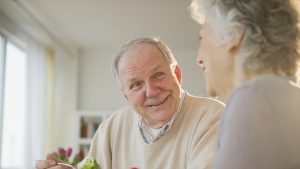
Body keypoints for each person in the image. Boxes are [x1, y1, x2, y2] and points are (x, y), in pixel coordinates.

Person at [36, 37, 224, 169]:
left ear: (177, 74)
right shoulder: (112, 126)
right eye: (136, 85)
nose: (151, 91)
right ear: (126, 96)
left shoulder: (214, 116)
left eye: (158, 75)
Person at [189, 0, 300, 168]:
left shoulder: (254, 98)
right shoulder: (282, 96)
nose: (198, 59)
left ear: (234, 33)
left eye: (202, 37)